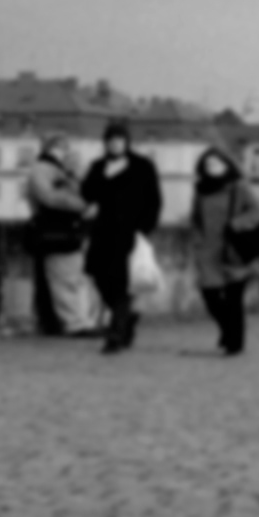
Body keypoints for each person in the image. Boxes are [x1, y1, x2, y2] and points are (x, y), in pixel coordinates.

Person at [81, 121, 162, 355]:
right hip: (102, 233)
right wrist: (102, 176)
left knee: (121, 286)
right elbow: (87, 193)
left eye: (119, 140)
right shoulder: (98, 166)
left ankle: (115, 334)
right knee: (100, 279)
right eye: (110, 140)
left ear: (126, 142)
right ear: (105, 143)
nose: (115, 144)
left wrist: (144, 230)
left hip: (129, 234)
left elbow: (154, 201)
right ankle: (127, 318)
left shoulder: (143, 166)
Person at [190, 146, 259, 356]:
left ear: (226, 165)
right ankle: (227, 330)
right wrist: (198, 239)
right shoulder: (201, 189)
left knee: (234, 298)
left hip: (234, 248)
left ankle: (235, 343)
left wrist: (237, 223)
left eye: (215, 164)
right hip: (208, 250)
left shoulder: (238, 187)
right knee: (210, 296)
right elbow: (195, 217)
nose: (211, 168)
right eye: (207, 165)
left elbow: (256, 211)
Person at [25, 133, 101, 337]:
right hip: (56, 230)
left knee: (77, 279)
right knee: (64, 279)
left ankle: (82, 321)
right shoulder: (41, 170)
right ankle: (74, 322)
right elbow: (52, 199)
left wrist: (74, 177)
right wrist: (83, 204)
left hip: (71, 230)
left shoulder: (64, 170)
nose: (64, 150)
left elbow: (89, 192)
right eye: (60, 147)